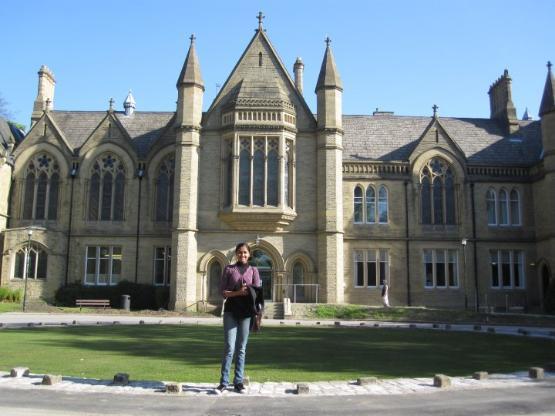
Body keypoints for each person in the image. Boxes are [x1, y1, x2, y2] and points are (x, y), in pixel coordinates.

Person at [216, 242, 261, 394]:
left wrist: (249, 292)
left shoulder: (254, 270)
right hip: (230, 311)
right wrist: (237, 293)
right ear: (236, 254)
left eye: (245, 253)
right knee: (229, 348)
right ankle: (223, 382)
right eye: (240, 252)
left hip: (247, 313)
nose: (242, 255)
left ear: (249, 254)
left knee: (241, 349)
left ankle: (238, 382)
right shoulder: (229, 269)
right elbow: (222, 292)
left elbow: (258, 293)